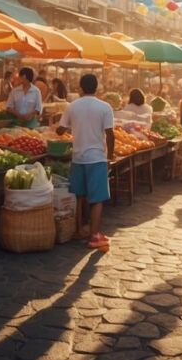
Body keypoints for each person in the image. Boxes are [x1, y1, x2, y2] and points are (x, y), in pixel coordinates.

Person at [56, 74, 114, 250]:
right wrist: (110, 156)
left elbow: (60, 130)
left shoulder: (72, 106)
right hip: (96, 157)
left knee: (79, 196)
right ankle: (94, 236)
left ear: (80, 88)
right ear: (97, 88)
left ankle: (79, 230)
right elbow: (110, 134)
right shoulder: (105, 107)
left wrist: (58, 125)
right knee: (96, 199)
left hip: (78, 157)